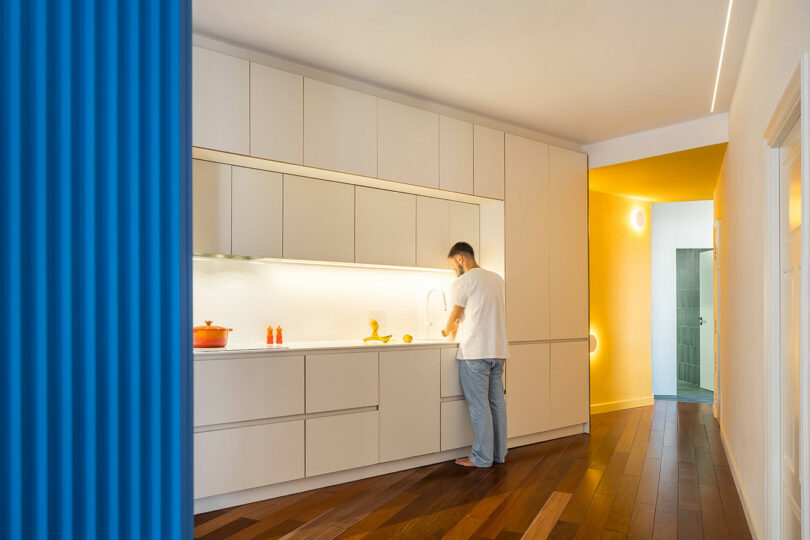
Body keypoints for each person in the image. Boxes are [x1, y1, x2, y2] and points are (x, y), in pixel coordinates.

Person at [442, 241, 508, 468]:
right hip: (498, 351)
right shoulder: (496, 279)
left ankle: (481, 458)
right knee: (497, 403)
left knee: (479, 405)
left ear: (460, 258)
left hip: (475, 352)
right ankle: (498, 455)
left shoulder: (463, 281)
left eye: (453, 264)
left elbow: (456, 314)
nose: (454, 270)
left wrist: (446, 330)